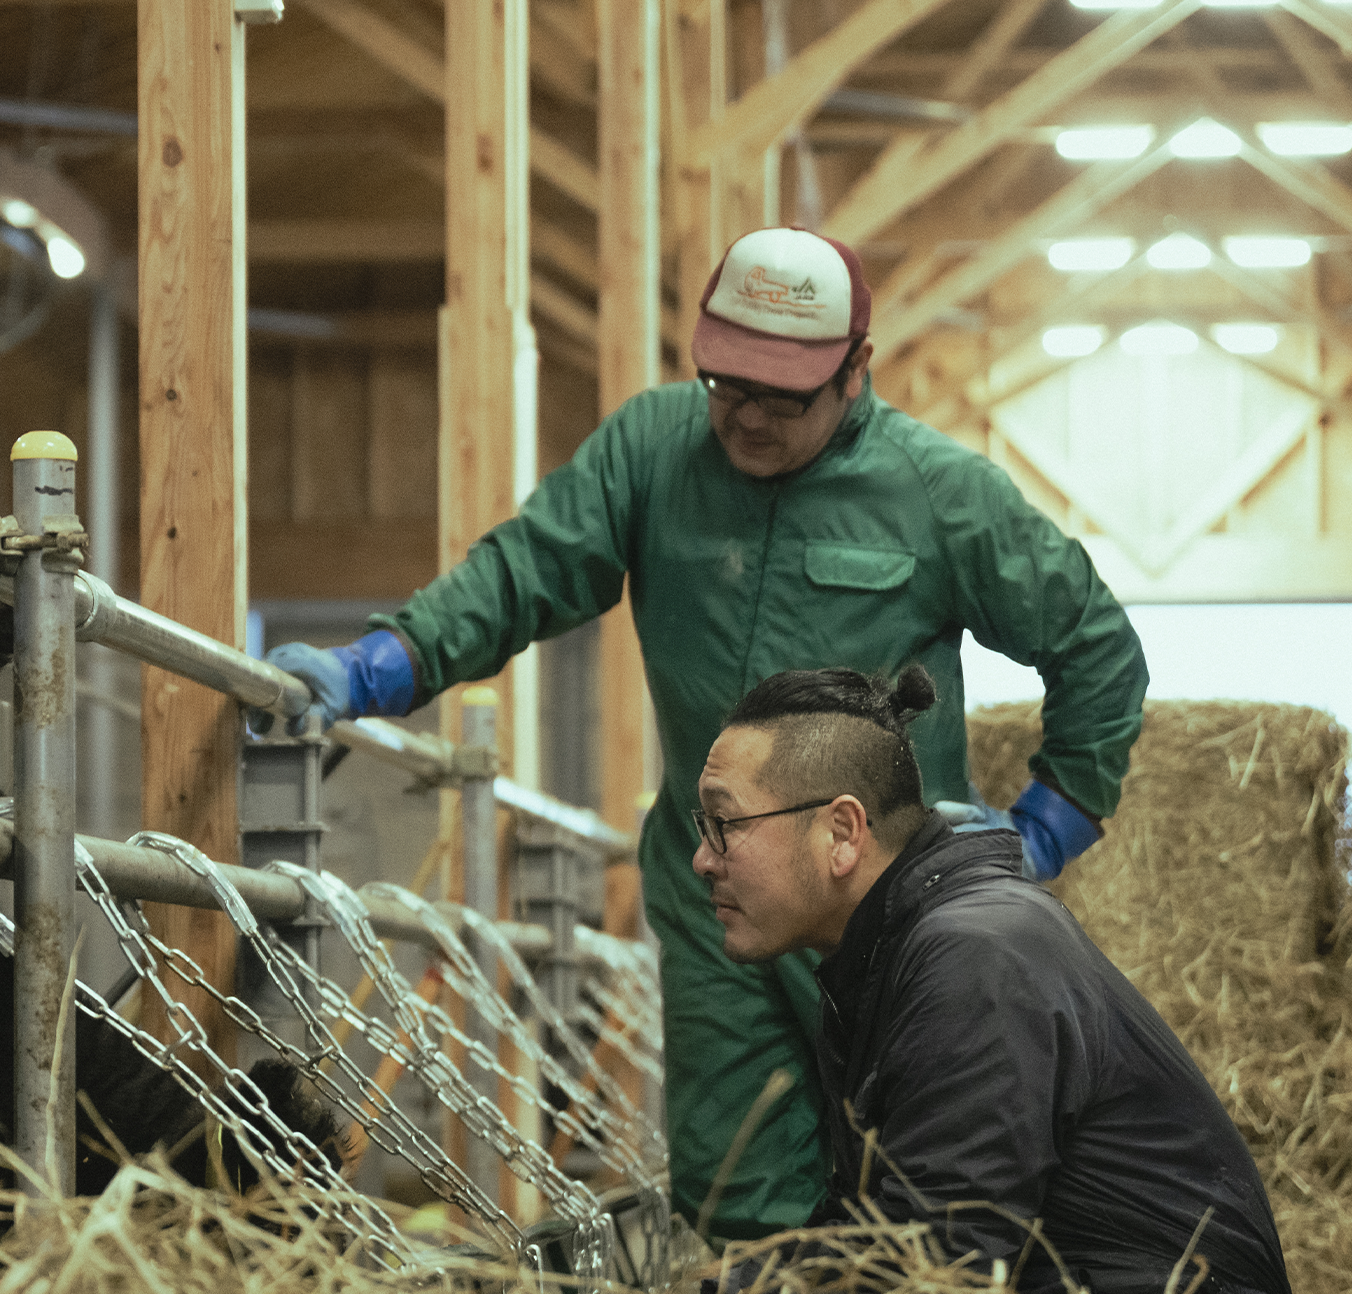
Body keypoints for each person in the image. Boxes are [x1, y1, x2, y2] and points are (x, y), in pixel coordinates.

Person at [255, 226, 1149, 1240]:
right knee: (737, 1206)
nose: (748, 417)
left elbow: (1095, 647)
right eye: (727, 384)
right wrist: (373, 668)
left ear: (854, 371)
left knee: (920, 1204)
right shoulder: (652, 451)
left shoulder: (939, 495)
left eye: (783, 395)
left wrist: (1040, 833)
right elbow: (519, 575)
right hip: (717, 906)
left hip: (885, 921)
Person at [692, 664, 1288, 1294]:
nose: (703, 859)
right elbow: (874, 1230)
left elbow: (940, 1255)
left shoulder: (975, 955)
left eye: (724, 824)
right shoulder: (887, 952)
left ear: (842, 833)